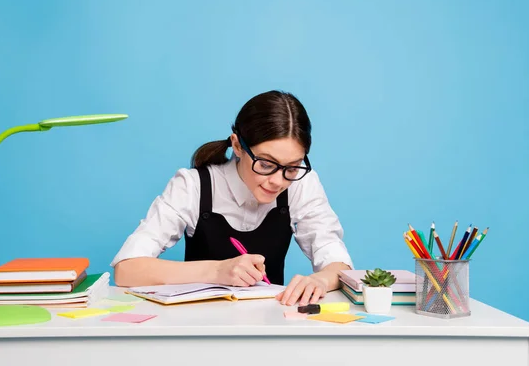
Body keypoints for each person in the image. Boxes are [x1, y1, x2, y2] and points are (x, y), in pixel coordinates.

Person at [111, 90, 353, 306]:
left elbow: (337, 262)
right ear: (238, 146)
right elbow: (127, 269)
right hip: (196, 330)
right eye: (266, 164)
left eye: (292, 167)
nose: (279, 181)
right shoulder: (193, 186)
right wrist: (217, 270)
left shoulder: (302, 184)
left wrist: (320, 280)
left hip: (269, 328)